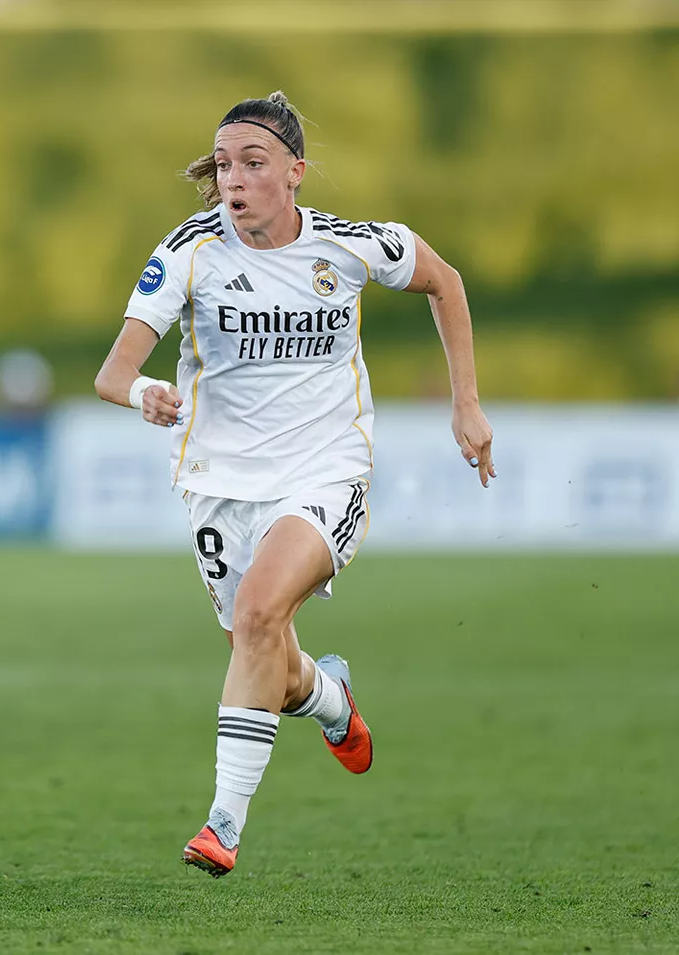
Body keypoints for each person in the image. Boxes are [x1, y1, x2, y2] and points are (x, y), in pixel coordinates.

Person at [94, 91, 495, 878]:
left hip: (324, 471)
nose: (234, 180)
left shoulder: (350, 246)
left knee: (257, 613)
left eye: (253, 163)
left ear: (295, 172)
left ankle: (222, 824)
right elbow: (113, 372)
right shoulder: (190, 251)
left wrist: (467, 403)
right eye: (223, 166)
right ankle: (330, 697)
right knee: (266, 660)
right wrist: (145, 393)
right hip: (217, 483)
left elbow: (445, 281)